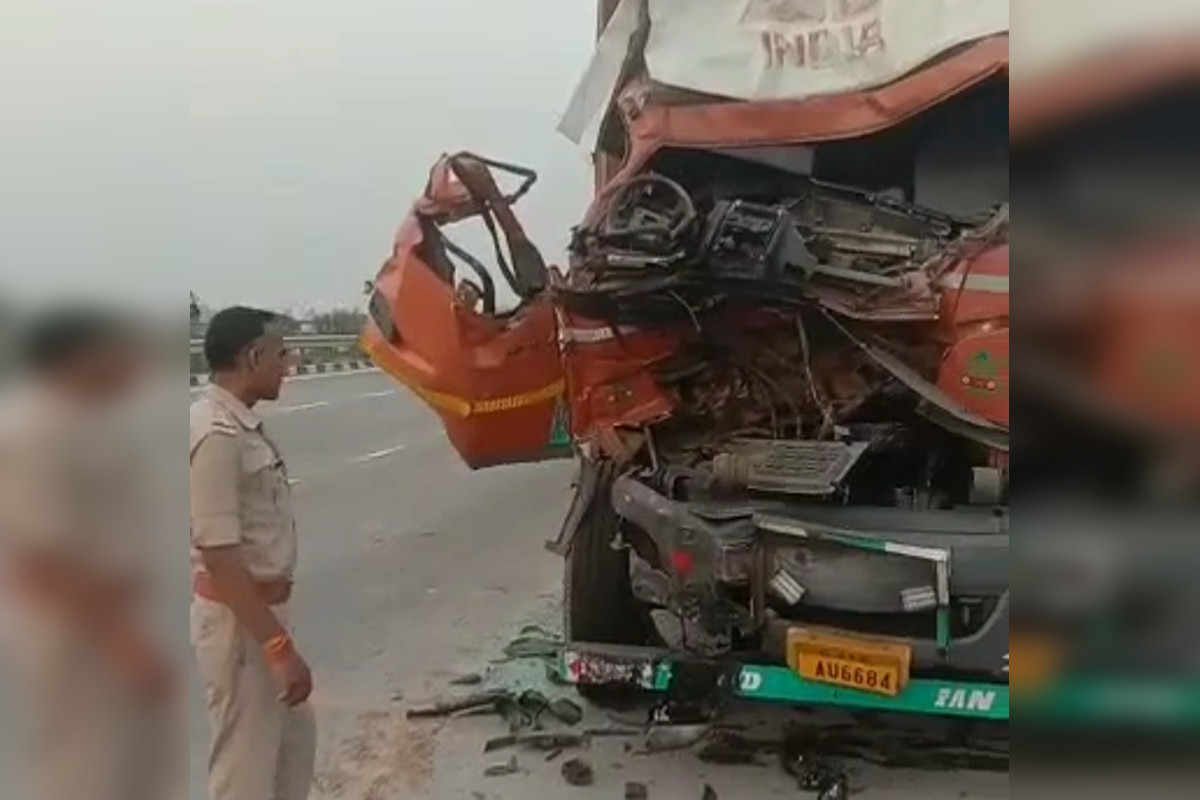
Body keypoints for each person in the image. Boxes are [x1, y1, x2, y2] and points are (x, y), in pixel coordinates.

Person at [0, 307, 177, 800]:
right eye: (119, 355)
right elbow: (43, 559)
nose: (131, 368)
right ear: (82, 360)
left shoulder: (85, 423)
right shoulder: (35, 431)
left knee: (129, 765)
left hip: (105, 623)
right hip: (76, 633)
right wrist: (123, 643)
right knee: (88, 769)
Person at [190, 306, 315, 800]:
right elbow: (220, 559)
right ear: (252, 356)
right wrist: (278, 649)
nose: (289, 363)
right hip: (243, 628)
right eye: (282, 353)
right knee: (247, 775)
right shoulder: (217, 435)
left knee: (290, 761)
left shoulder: (239, 426)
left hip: (263, 618)